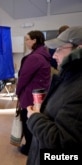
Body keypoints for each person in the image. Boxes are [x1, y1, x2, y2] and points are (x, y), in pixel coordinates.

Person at [26, 26, 82, 165]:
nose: (54, 55)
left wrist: (34, 118)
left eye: (59, 49)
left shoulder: (78, 88)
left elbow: (64, 145)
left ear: (79, 48)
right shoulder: (69, 77)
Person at [15, 30, 51, 155]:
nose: (25, 42)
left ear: (34, 40)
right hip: (39, 95)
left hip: (30, 96)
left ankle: (29, 148)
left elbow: (23, 78)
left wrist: (18, 92)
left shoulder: (34, 57)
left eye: (27, 39)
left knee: (28, 122)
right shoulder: (43, 54)